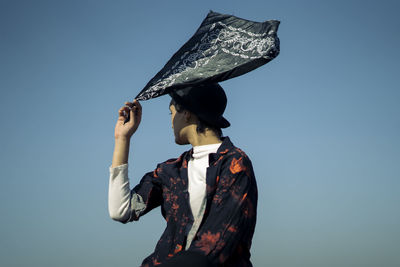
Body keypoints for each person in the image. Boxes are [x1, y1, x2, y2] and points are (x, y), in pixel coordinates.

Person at [108, 83, 258, 267]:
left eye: (171, 113)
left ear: (186, 113)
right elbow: (121, 211)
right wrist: (122, 139)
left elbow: (216, 244)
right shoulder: (170, 171)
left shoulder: (235, 164)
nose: (171, 122)